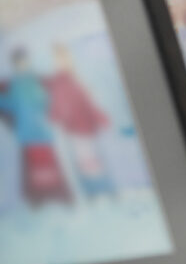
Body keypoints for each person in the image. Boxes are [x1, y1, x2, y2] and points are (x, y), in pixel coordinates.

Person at [0, 47, 71, 205]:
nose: (22, 65)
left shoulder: (37, 80)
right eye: (19, 62)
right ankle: (40, 200)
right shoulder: (16, 84)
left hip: (42, 132)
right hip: (28, 134)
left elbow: (49, 101)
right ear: (15, 64)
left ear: (28, 61)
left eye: (24, 61)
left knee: (51, 169)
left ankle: (60, 198)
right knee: (35, 172)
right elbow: (11, 104)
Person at [46, 44, 115, 199]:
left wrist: (101, 118)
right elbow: (56, 106)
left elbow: (88, 102)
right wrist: (55, 117)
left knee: (94, 162)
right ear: (55, 61)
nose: (64, 62)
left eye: (65, 58)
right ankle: (95, 193)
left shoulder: (75, 78)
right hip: (75, 131)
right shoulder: (58, 82)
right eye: (60, 59)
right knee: (88, 164)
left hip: (87, 128)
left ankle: (103, 192)